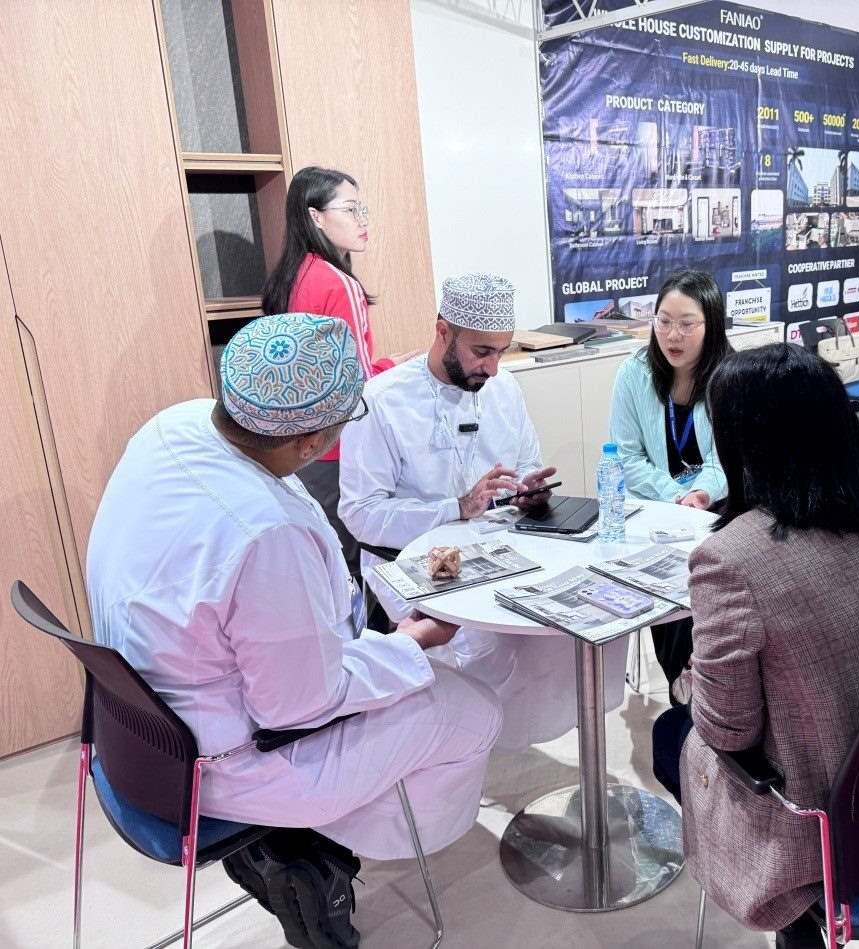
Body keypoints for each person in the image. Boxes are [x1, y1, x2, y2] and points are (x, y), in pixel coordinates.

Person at [86, 314, 501, 949]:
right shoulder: (265, 531)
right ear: (310, 445)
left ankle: (298, 844)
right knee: (471, 710)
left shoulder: (172, 426)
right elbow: (298, 704)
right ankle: (312, 851)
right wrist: (408, 644)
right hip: (223, 759)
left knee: (399, 687)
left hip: (136, 732)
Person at [650, 344, 859, 949]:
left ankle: (796, 923)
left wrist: (689, 680)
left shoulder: (729, 558)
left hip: (836, 824)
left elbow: (728, 732)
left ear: (741, 442)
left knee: (671, 734)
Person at [338, 272, 627, 748]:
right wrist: (455, 509)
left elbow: (526, 463)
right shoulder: (381, 401)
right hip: (414, 561)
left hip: (503, 549)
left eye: (501, 351)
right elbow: (361, 514)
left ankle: (541, 730)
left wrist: (529, 491)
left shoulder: (504, 388)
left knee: (571, 622)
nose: (492, 368)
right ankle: (469, 742)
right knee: (484, 639)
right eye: (482, 352)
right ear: (443, 331)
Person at [261, 166, 412, 577]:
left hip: (300, 446)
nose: (362, 221)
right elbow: (358, 384)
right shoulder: (338, 282)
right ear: (316, 217)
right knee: (369, 565)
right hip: (340, 445)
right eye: (350, 209)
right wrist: (392, 367)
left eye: (362, 210)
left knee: (328, 566)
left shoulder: (294, 276)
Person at [608, 270, 732, 696]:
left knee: (710, 576)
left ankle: (709, 676)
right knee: (667, 579)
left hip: (717, 508)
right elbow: (626, 457)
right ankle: (684, 678)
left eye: (687, 324)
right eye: (663, 321)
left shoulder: (729, 375)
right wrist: (676, 494)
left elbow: (727, 458)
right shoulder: (634, 374)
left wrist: (702, 493)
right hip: (656, 511)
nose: (672, 335)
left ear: (711, 324)